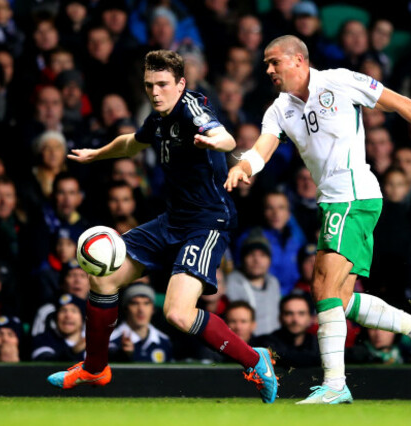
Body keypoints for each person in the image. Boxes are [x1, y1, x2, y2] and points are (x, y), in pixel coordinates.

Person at [225, 35, 411, 404]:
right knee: (339, 299)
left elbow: (399, 103)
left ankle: (335, 383)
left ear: (298, 60)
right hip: (333, 203)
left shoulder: (339, 81)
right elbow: (263, 146)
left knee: (323, 288)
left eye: (273, 62)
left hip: (354, 196)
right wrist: (244, 166)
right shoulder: (279, 109)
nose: (268, 70)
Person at [47, 50, 277, 404]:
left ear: (181, 84)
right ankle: (95, 368)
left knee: (177, 314)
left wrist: (217, 141)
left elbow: (225, 137)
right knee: (103, 278)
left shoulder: (192, 110)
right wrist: (97, 153)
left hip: (208, 222)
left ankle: (254, 359)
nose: (155, 92)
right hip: (173, 220)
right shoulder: (158, 118)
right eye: (149, 85)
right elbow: (130, 143)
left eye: (163, 85)